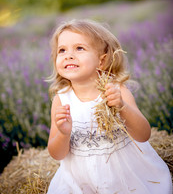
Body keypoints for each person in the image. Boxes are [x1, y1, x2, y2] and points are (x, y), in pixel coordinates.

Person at [47, 19, 172, 194]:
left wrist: (122, 107)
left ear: (102, 61)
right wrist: (63, 133)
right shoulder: (61, 100)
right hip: (81, 180)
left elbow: (144, 135)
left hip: (123, 175)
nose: (68, 55)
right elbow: (56, 154)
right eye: (62, 50)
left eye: (79, 48)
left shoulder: (116, 90)